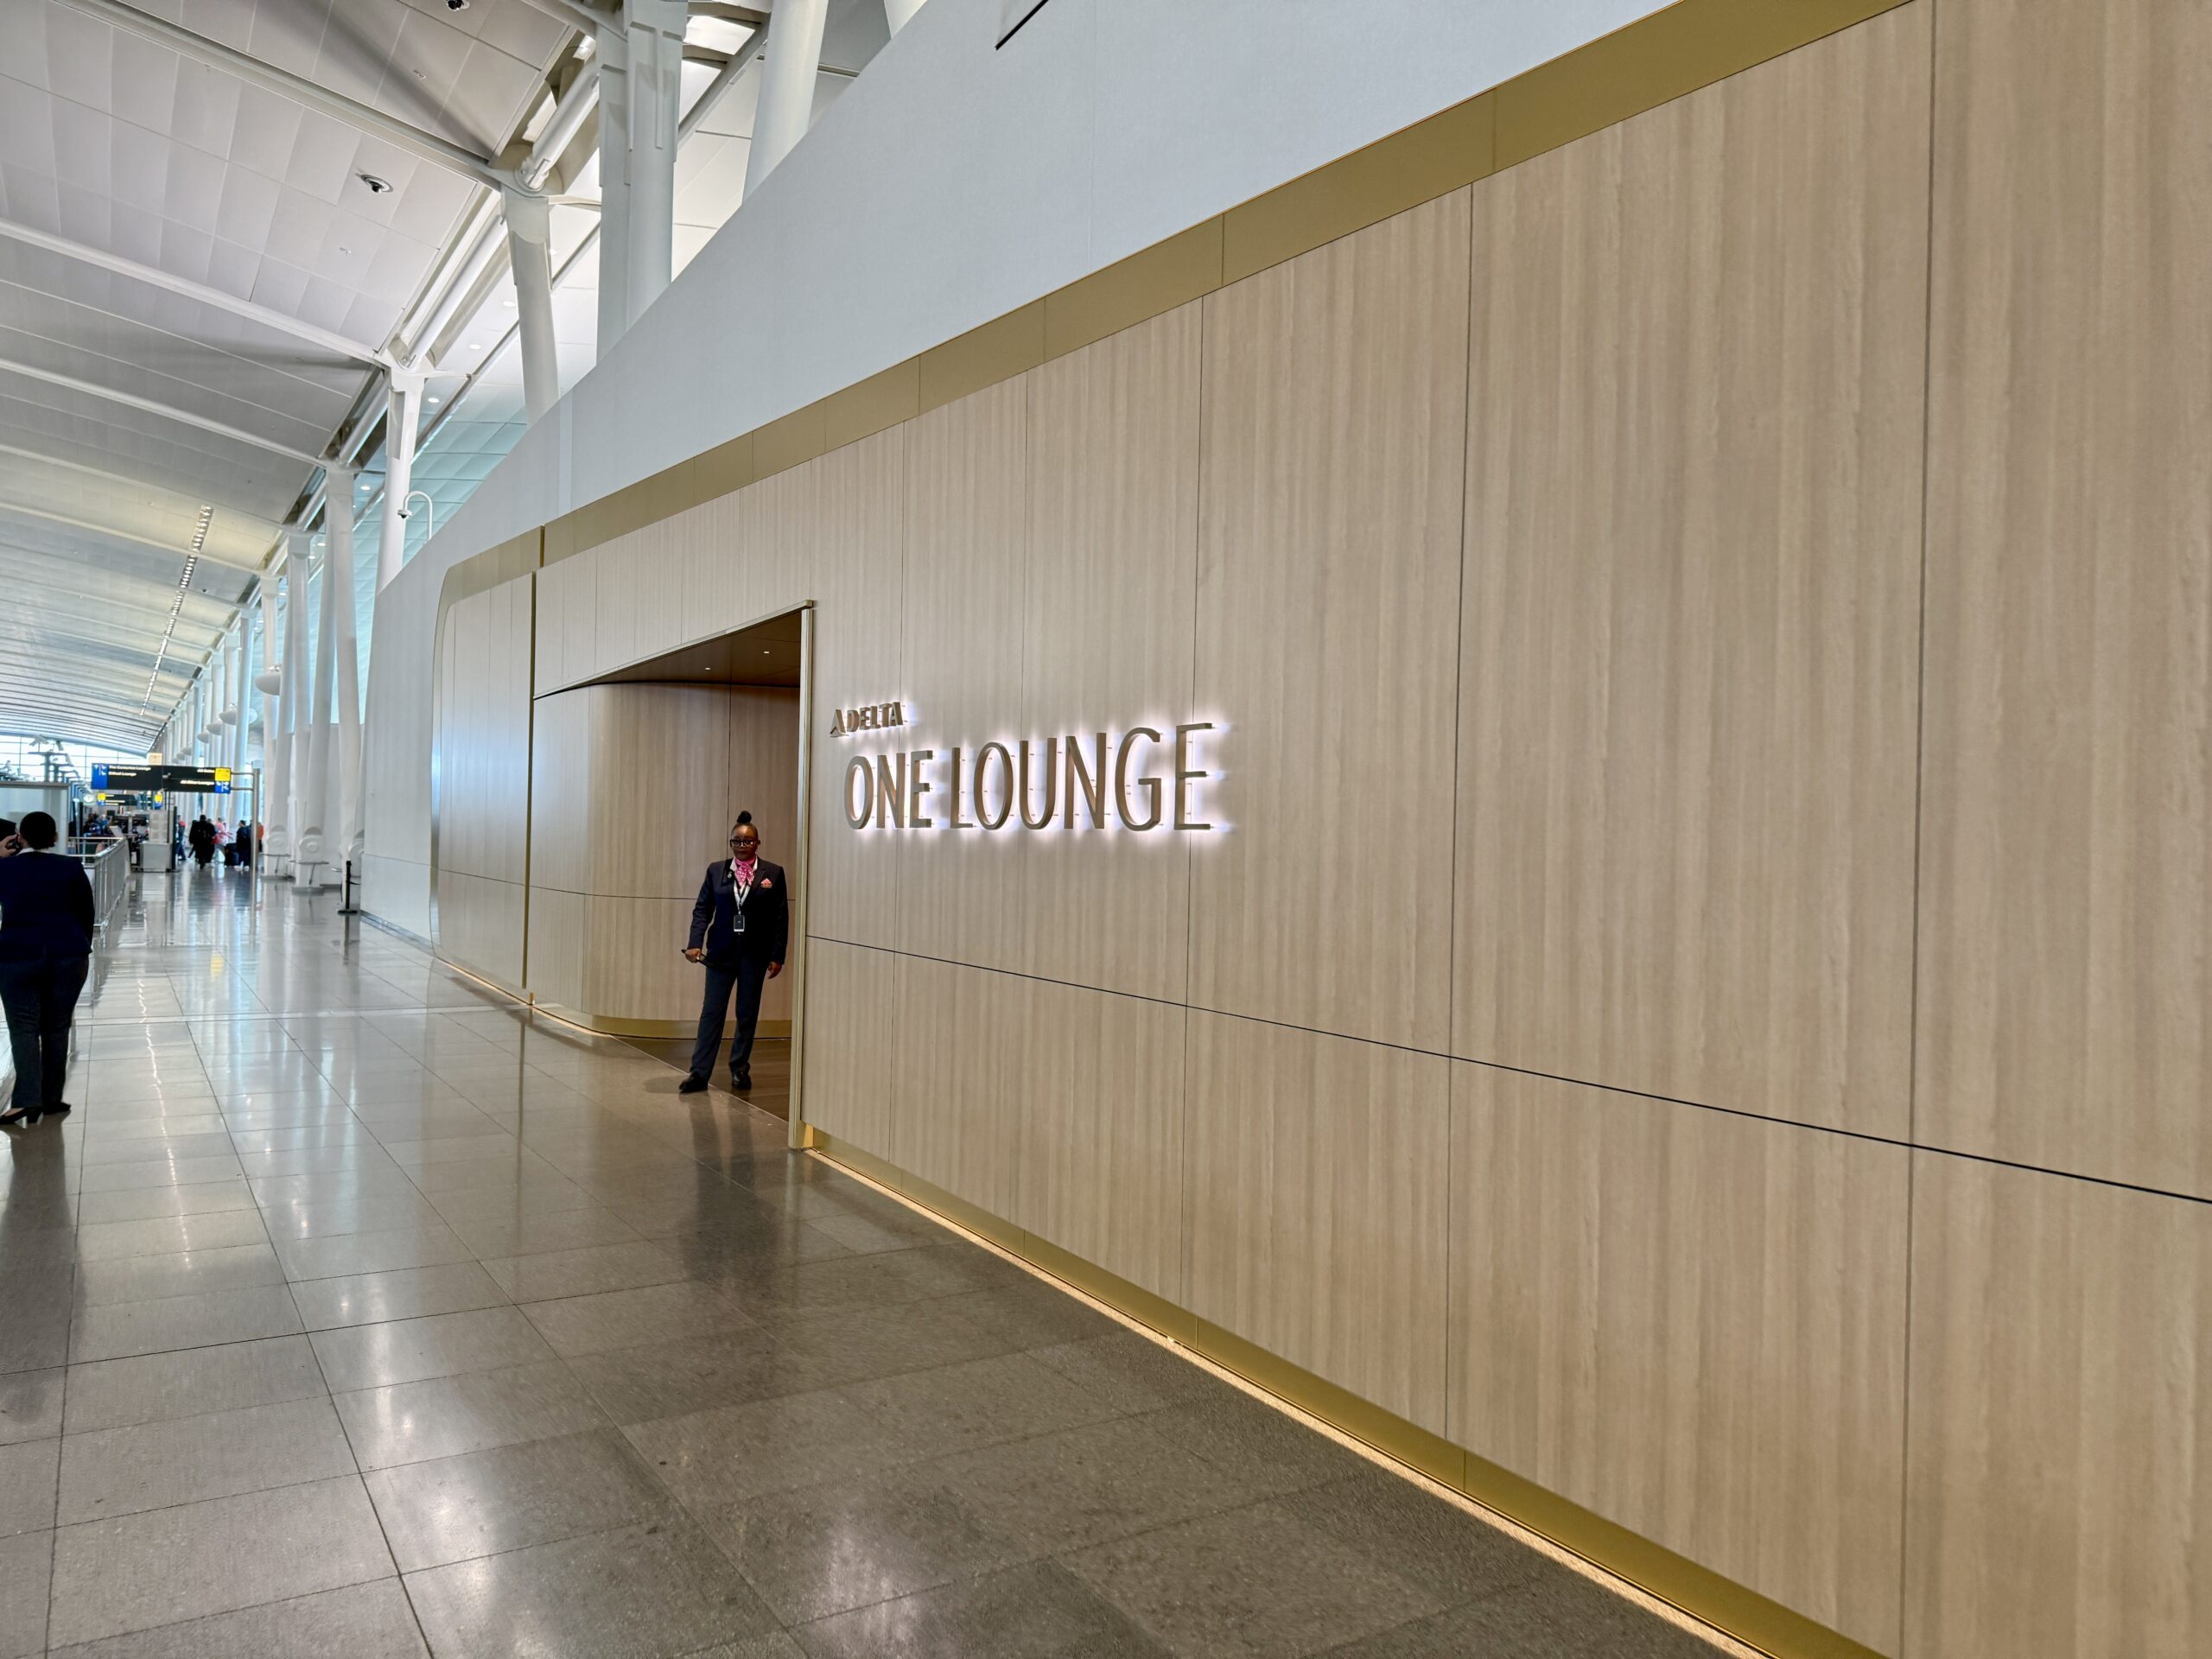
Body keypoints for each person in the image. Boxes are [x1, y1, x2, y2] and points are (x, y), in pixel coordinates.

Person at [680, 812, 787, 1095]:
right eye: (736, 841)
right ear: (730, 844)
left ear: (758, 843)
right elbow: (703, 909)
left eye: (747, 841)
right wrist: (695, 942)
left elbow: (780, 918)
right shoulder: (716, 871)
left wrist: (778, 955)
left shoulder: (773, 873)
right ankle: (699, 1073)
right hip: (720, 954)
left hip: (755, 955)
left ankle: (739, 1068)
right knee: (712, 1013)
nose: (741, 845)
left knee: (746, 1014)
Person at [0, 812, 94, 1128]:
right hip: (68, 954)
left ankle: (27, 1100)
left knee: (24, 1028)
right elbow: (86, 912)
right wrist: (81, 946)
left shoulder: (5, 868)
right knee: (57, 1027)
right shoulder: (70, 867)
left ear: (19, 837)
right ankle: (52, 1098)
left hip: (17, 955)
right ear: (55, 837)